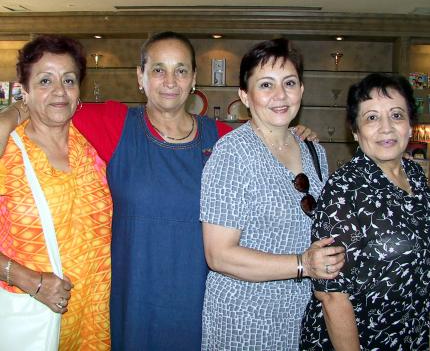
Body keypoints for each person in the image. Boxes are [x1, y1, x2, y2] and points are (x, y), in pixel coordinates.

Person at [0, 31, 317, 351]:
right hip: (129, 300)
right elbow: (51, 104)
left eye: (181, 70)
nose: (170, 80)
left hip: (200, 300)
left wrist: (293, 135)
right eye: (158, 69)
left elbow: (268, 146)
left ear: (194, 79)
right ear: (141, 76)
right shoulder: (112, 122)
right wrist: (8, 116)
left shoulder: (222, 138)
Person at [199, 38, 345, 351]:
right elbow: (218, 254)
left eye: (289, 83)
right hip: (243, 320)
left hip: (301, 316)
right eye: (266, 85)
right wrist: (303, 264)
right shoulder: (231, 154)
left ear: (302, 90)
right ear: (244, 96)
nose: (280, 95)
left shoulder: (315, 152)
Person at [300, 73, 430, 350]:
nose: (386, 128)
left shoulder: (417, 176)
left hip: (411, 335)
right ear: (356, 132)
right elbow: (332, 295)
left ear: (410, 126)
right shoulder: (344, 189)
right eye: (372, 117)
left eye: (396, 115)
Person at [0, 35, 112, 349]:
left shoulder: (93, 145)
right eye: (45, 80)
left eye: (68, 80)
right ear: (25, 90)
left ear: (80, 92)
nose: (59, 91)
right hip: (32, 312)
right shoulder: (8, 150)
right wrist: (27, 279)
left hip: (93, 317)